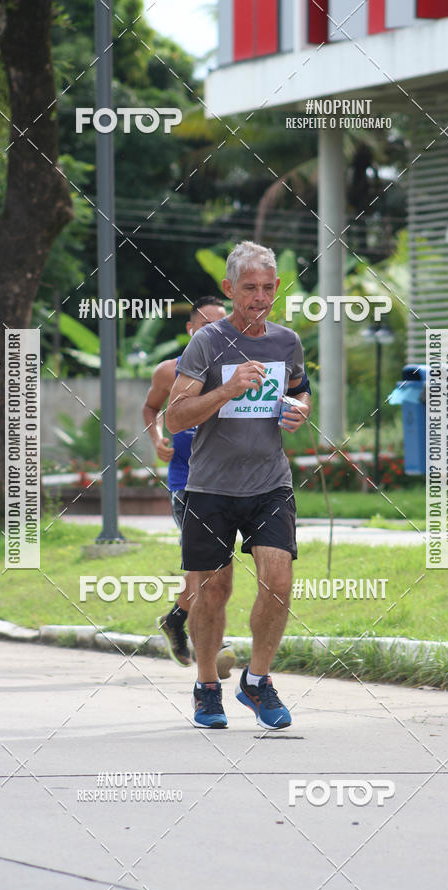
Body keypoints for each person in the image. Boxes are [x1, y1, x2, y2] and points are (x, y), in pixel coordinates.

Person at [165, 241, 311, 730]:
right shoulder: (206, 343)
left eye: (269, 288)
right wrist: (226, 389)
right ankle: (208, 686)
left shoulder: (286, 342)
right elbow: (173, 418)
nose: (260, 297)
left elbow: (298, 388)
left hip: (270, 482)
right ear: (229, 289)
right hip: (210, 487)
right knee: (213, 591)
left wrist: (301, 410)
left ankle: (257, 680)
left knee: (280, 580)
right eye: (250, 288)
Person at [142, 296, 227, 666]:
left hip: (230, 483)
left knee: (209, 566)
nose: (213, 332)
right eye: (205, 325)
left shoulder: (234, 371)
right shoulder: (168, 371)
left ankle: (177, 619)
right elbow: (150, 408)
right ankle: (212, 646)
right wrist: (157, 438)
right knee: (210, 567)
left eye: (220, 326)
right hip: (186, 484)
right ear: (190, 329)